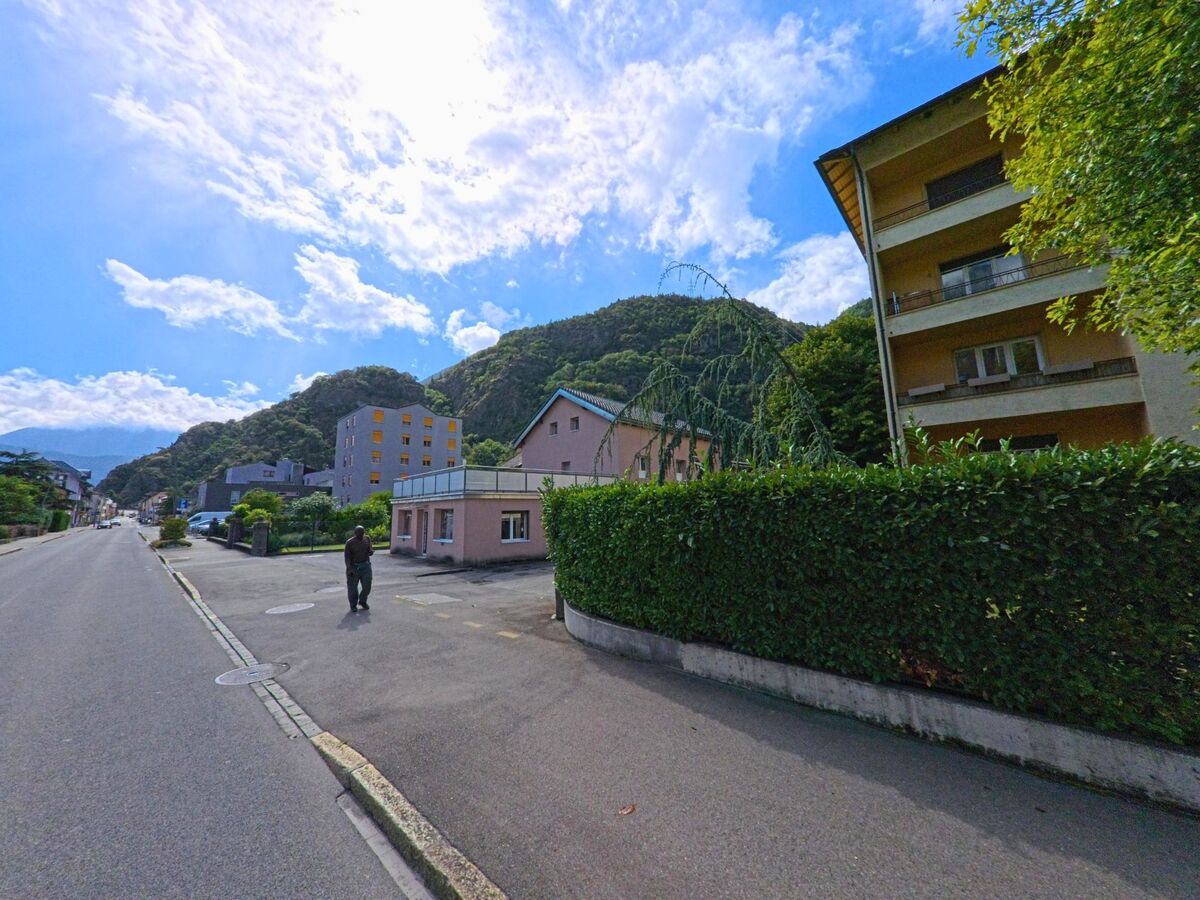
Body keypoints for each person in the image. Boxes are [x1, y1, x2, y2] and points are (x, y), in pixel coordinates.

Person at [344, 525, 374, 612]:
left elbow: (370, 550)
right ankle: (353, 605)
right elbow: (347, 557)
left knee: (367, 585)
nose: (361, 536)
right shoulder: (349, 542)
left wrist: (371, 552)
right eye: (359, 534)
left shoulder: (367, 539)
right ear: (355, 533)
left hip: (365, 565)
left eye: (362, 533)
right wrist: (349, 569)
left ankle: (362, 601)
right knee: (353, 588)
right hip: (354, 567)